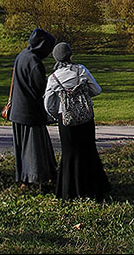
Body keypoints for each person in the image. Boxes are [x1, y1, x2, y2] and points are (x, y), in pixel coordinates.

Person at [44, 42, 110, 201]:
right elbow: (97, 89)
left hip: (65, 118)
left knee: (69, 152)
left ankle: (68, 190)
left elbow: (48, 103)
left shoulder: (54, 78)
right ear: (70, 55)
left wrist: (56, 114)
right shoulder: (81, 70)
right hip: (85, 116)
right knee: (88, 149)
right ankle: (94, 188)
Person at [9, 28, 57, 188]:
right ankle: (35, 178)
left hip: (17, 111)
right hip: (30, 113)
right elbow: (41, 88)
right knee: (34, 149)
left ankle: (24, 179)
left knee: (22, 149)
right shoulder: (34, 62)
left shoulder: (22, 56)